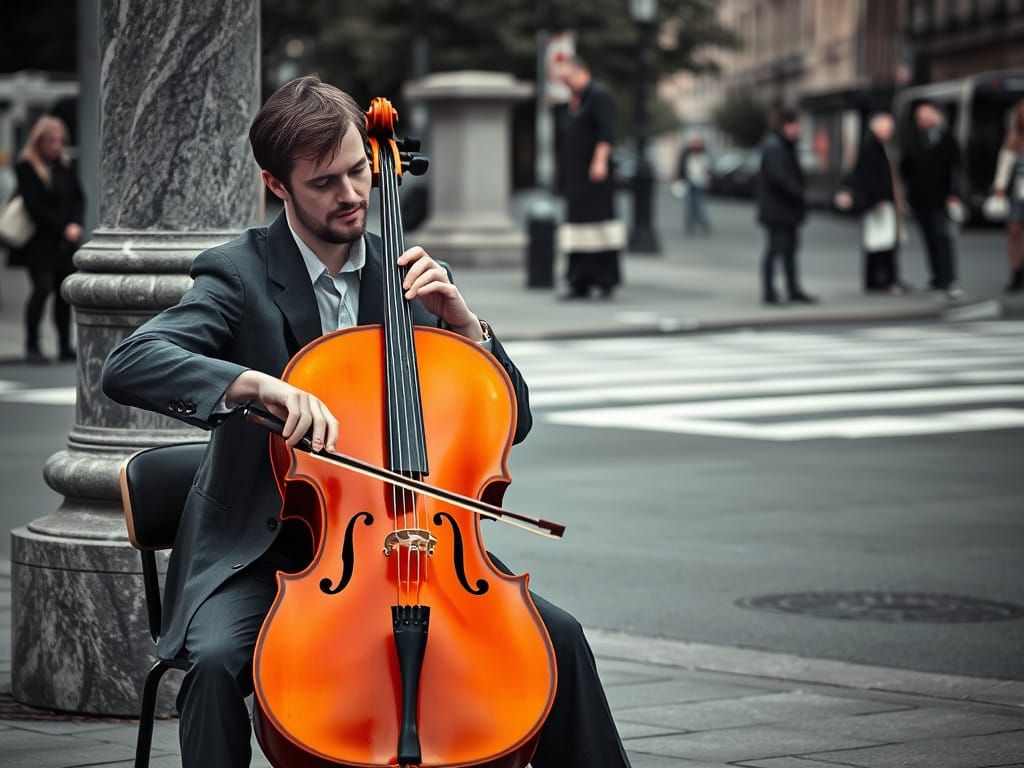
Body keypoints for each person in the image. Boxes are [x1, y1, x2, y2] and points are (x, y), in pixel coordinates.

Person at [101, 76, 631, 768]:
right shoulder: (238, 276)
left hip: (410, 540)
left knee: (557, 638)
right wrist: (257, 385)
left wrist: (469, 329)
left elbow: (512, 422)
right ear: (277, 184)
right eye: (325, 182)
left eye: (359, 171)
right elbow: (131, 361)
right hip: (262, 549)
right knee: (217, 663)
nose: (352, 195)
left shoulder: (408, 276)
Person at [10, 115, 84, 363]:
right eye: (51, 141)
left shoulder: (64, 166)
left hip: (64, 244)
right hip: (39, 242)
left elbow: (78, 197)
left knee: (64, 293)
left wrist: (75, 224)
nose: (55, 146)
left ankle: (64, 345)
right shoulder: (27, 167)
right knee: (42, 289)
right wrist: (63, 227)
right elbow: (34, 205)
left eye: (58, 141)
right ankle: (32, 345)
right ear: (39, 142)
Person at [556, 55, 623, 300]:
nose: (566, 84)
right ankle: (579, 281)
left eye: (568, 78)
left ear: (581, 72)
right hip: (576, 179)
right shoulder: (575, 101)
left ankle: (605, 281)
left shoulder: (599, 95)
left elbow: (607, 132)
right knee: (577, 232)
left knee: (600, 229)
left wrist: (600, 161)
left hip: (594, 178)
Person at [835, 112, 908, 294]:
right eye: (888, 127)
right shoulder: (872, 147)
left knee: (883, 243)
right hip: (879, 202)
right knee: (881, 243)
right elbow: (870, 177)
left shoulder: (879, 145)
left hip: (882, 201)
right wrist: (877, 198)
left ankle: (882, 279)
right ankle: (882, 280)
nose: (891, 131)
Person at [899, 101, 964, 299]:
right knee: (929, 240)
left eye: (927, 116)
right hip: (920, 199)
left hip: (942, 199)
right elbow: (905, 168)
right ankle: (936, 278)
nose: (924, 120)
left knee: (942, 238)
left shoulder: (947, 139)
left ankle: (949, 279)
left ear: (936, 116)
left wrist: (954, 194)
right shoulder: (913, 139)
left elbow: (957, 169)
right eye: (921, 117)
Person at [756, 107, 816, 305]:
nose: (797, 129)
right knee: (776, 250)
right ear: (785, 125)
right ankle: (770, 293)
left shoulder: (784, 144)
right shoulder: (775, 146)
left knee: (789, 251)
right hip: (778, 209)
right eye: (794, 125)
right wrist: (799, 193)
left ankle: (792, 289)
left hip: (785, 209)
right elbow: (779, 178)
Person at [991, 100, 1024, 293]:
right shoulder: (1014, 139)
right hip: (1017, 192)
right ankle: (1016, 271)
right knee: (1014, 232)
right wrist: (999, 187)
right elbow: (1004, 164)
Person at [677, 134, 711, 235]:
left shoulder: (704, 154)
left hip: (701, 182)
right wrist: (679, 177)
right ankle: (690, 225)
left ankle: (704, 223)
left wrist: (709, 177)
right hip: (689, 181)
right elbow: (681, 166)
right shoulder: (686, 154)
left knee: (699, 204)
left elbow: (708, 168)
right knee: (689, 205)